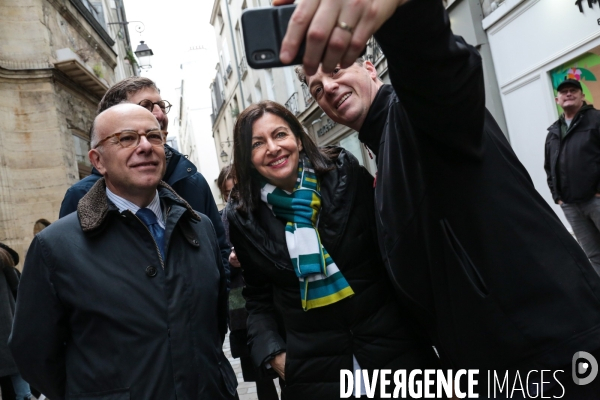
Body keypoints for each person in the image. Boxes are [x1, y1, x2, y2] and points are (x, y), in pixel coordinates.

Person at [279, 0, 600, 397]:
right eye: (315, 88)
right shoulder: (382, 152)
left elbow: (437, 69)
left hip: (551, 352)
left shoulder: (412, 115)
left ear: (368, 66)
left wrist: (401, 12)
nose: (327, 87)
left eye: (335, 70)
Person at [9, 104, 237, 400]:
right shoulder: (55, 247)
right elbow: (34, 353)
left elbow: (213, 324)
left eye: (154, 137)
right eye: (126, 138)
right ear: (97, 160)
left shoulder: (200, 227)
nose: (145, 146)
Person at [226, 101, 441, 400]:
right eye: (257, 143)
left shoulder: (346, 174)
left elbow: (393, 254)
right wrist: (275, 354)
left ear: (298, 139)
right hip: (314, 371)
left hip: (395, 352)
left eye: (280, 135)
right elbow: (258, 297)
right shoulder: (243, 216)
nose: (273, 148)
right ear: (247, 158)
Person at [59, 76, 231, 272]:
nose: (159, 114)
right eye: (146, 107)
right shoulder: (80, 197)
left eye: (161, 106)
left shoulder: (193, 183)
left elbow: (219, 254)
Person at [217, 166, 282, 400]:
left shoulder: (265, 209)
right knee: (260, 375)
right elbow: (218, 257)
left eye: (235, 188)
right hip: (242, 307)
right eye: (227, 192)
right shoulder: (223, 219)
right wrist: (230, 259)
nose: (232, 195)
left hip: (273, 300)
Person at [545, 78, 600, 275]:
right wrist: (557, 195)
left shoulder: (596, 119)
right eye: (564, 92)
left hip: (595, 200)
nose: (569, 93)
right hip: (570, 204)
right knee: (593, 255)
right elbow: (549, 168)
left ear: (582, 96)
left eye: (573, 90)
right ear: (557, 99)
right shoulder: (553, 132)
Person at [0, 243, 31, 400]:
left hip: (9, 338)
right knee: (23, 393)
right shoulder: (4, 260)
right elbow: (20, 292)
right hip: (10, 337)